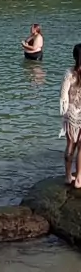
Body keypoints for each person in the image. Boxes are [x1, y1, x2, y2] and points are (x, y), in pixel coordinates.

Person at [60, 44, 81, 186]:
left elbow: (63, 96)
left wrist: (64, 113)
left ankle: (68, 176)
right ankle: (79, 179)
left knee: (70, 144)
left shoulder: (69, 73)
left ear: (74, 56)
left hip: (71, 113)